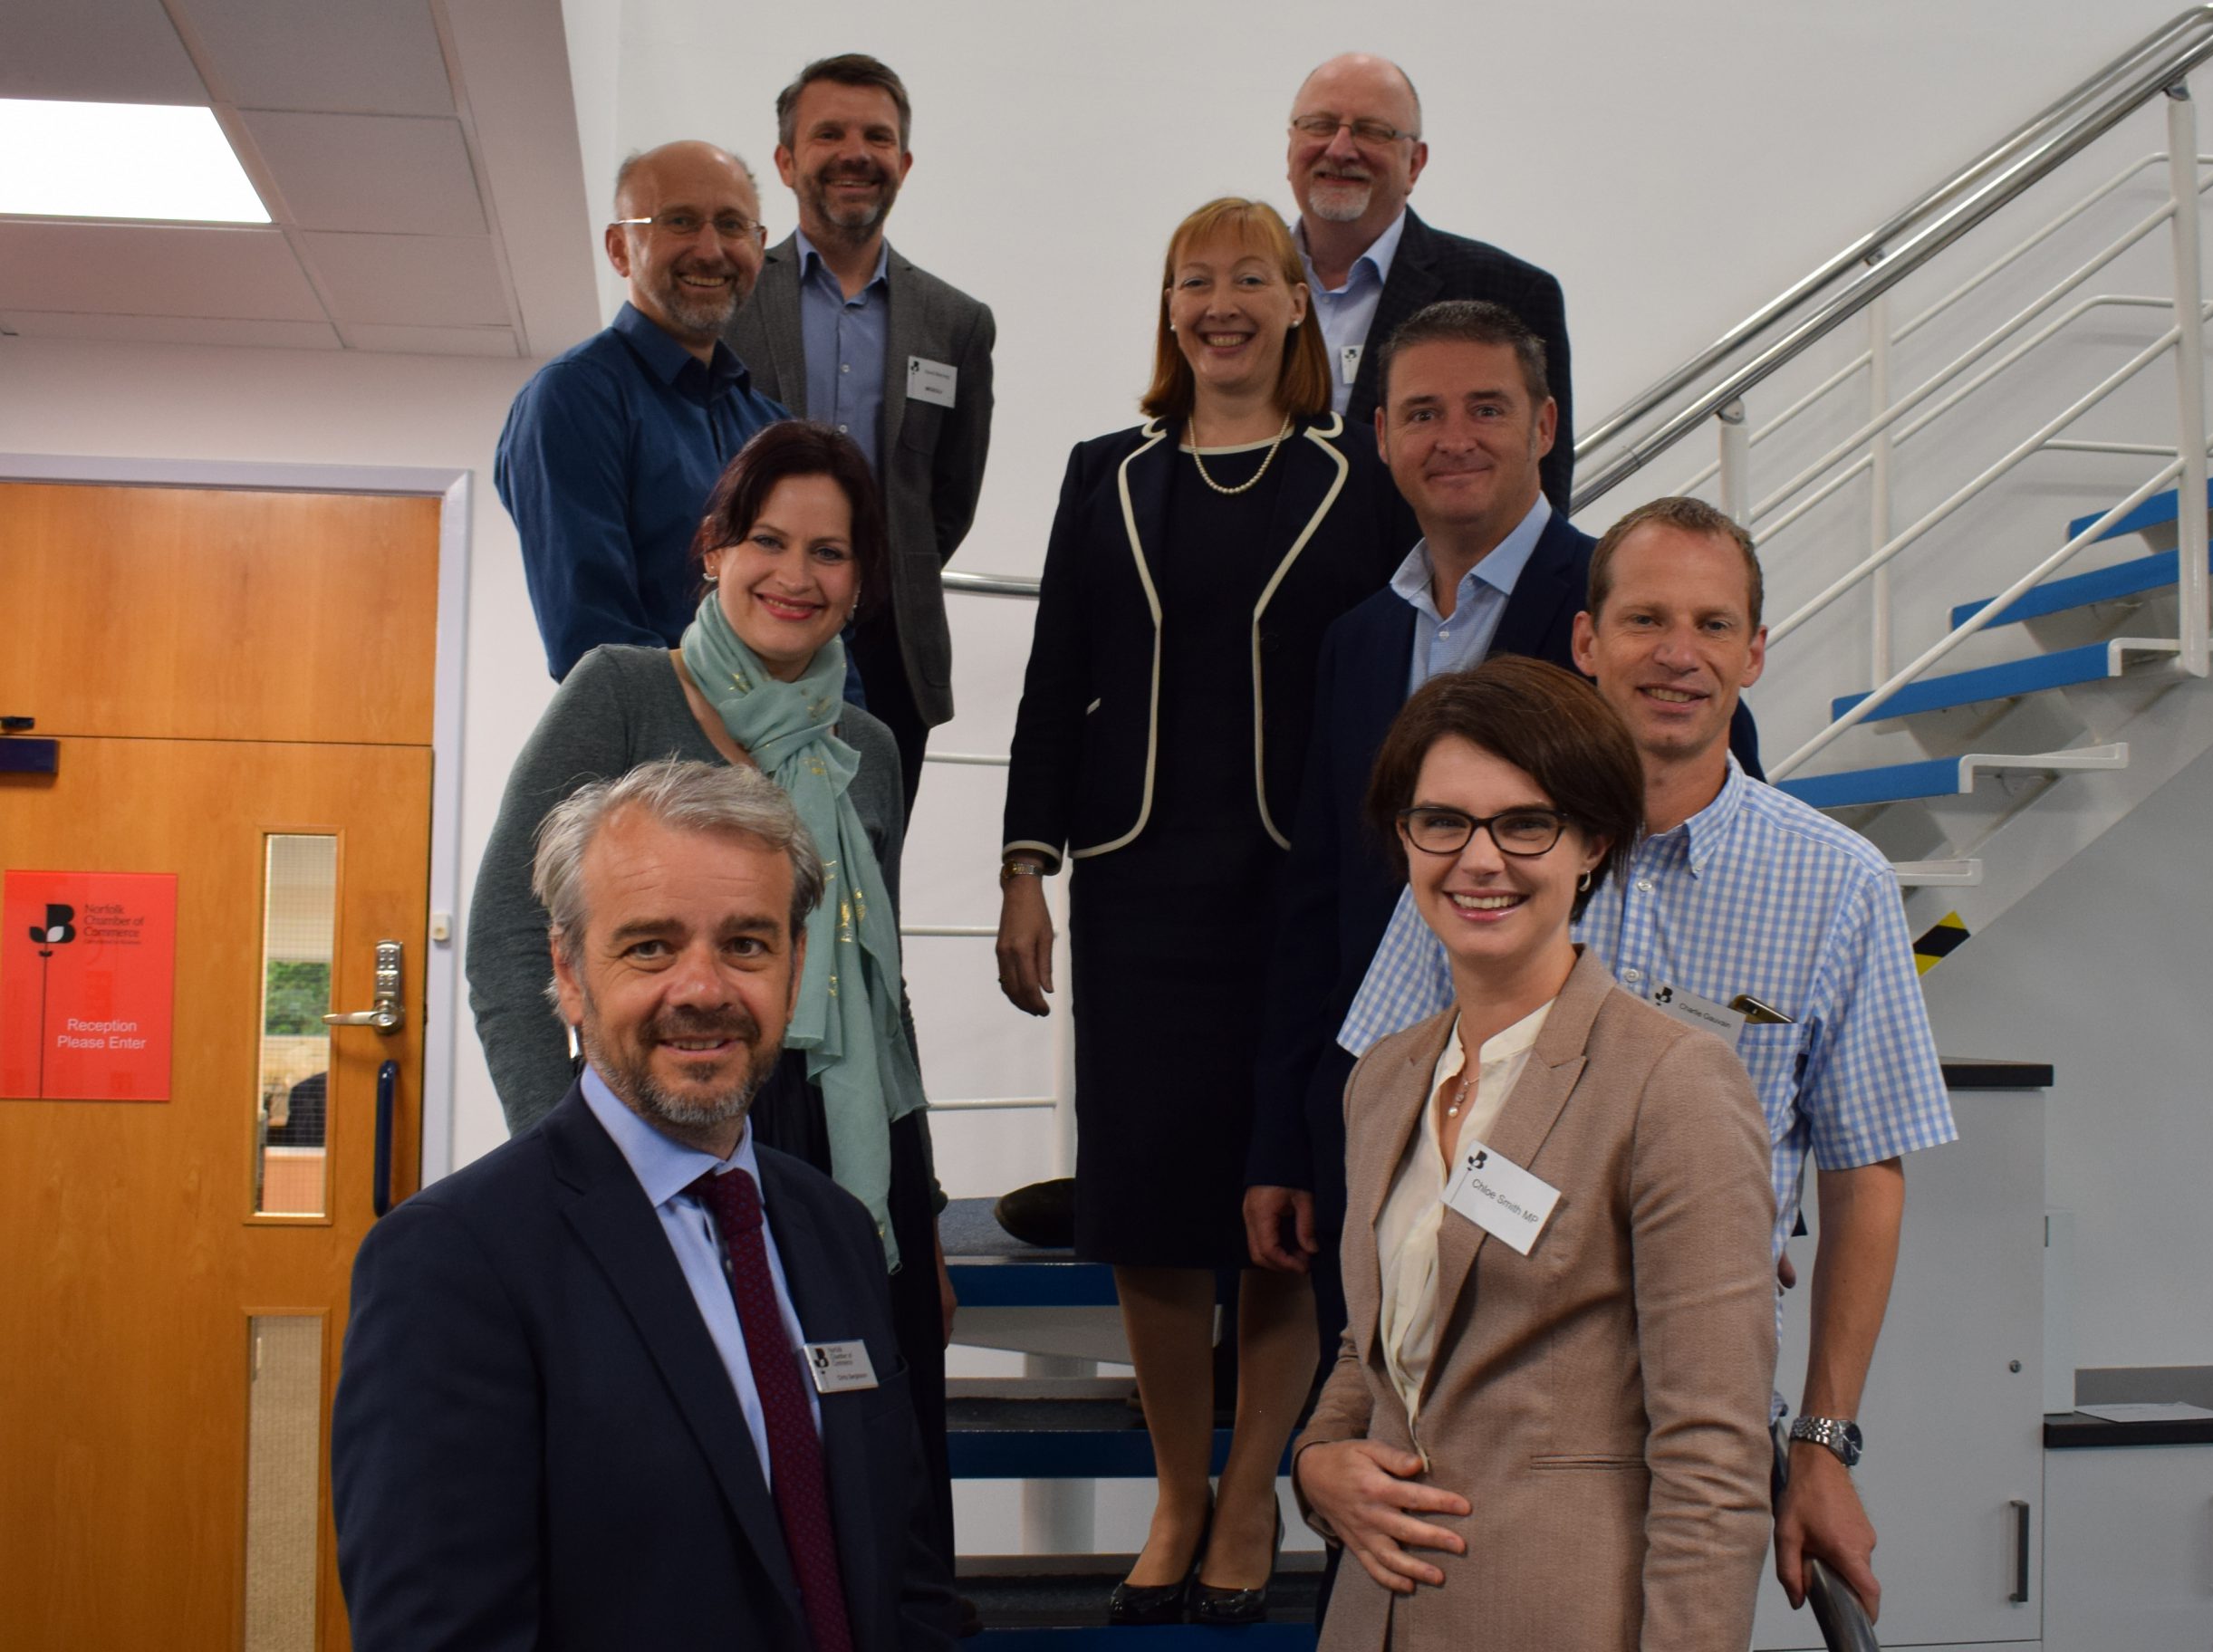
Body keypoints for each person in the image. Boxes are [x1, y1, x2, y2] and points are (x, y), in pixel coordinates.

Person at [1342, 495, 1958, 1620]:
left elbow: (1865, 1168)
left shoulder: (1838, 886)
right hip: (1466, 1377)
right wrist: (1333, 1437)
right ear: (1587, 641)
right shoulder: (1484, 851)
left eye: (1714, 626)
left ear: (1755, 652)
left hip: (1674, 1377)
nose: (1678, 655)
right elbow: (1390, 1117)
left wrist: (1821, 1439)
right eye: (1644, 621)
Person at [995, 197, 1410, 1624]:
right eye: (1195, 279)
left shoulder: (1361, 485)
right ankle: (1181, 1489)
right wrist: (1021, 868)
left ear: (1302, 305)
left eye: (1252, 277)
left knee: (1276, 1203)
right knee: (1152, 1207)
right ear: (1168, 308)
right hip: (1136, 884)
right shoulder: (1106, 474)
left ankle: (1253, 1497)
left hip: (1298, 892)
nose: (1221, 301)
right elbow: (1055, 679)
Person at [467, 419, 962, 1583]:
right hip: (678, 1120)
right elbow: (506, 937)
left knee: (879, 1480)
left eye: (831, 554)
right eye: (768, 541)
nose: (796, 576)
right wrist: (579, 1162)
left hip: (847, 1142)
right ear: (711, 548)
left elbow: (873, 987)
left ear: (860, 581)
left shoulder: (869, 746)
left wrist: (918, 1213)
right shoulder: (623, 693)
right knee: (703, 1477)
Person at [1244, 300, 1763, 1382]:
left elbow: (1708, 894)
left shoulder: (1627, 614)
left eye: (1488, 407)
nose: (1455, 437)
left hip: (1588, 1140)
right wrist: (1285, 1140)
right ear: (1380, 436)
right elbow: (1318, 902)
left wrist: (1736, 1173)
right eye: (1422, 413)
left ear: (1544, 426)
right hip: (1390, 1116)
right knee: (1382, 1430)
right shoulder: (1358, 638)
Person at [333, 758, 954, 1651]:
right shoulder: (451, 1266)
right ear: (569, 972)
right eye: (650, 946)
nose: (702, 990)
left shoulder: (837, 1230)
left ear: (796, 963)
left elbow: (904, 1576)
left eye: (746, 944)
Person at [1293, 656, 1775, 1649]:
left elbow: (1714, 1453)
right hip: (1372, 1619)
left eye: (1525, 824)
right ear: (1404, 835)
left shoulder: (1671, 1081)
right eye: (1443, 822)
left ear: (1593, 843)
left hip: (1565, 1615)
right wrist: (1316, 1456)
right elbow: (1372, 1342)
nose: (1479, 860)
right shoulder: (1381, 1078)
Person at [727, 54, 996, 815]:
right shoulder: (738, 299)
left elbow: (948, 498)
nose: (856, 153)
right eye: (829, 134)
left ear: (903, 163)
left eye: (876, 137)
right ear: (786, 161)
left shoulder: (957, 323)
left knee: (869, 874)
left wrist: (870, 571)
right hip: (751, 631)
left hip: (889, 650)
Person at [497, 140, 789, 681]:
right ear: (619, 248)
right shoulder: (572, 400)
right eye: (680, 221)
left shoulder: (773, 428)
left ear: (760, 246)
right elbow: (596, 644)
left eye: (732, 225)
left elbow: (820, 631)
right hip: (666, 760)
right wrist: (744, 736)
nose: (710, 249)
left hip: (786, 752)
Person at [1285, 53, 1575, 510]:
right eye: (1320, 125)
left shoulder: (1509, 291)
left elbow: (1543, 495)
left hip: (1431, 578)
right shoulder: (1229, 293)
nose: (1340, 149)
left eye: (1372, 130)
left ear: (1415, 164)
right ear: (1290, 145)